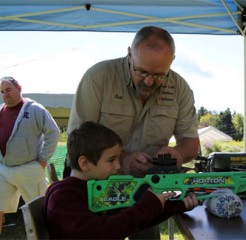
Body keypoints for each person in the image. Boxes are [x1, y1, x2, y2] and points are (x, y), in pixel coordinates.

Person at [64, 25, 200, 238]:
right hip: (94, 187)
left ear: (172, 61)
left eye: (159, 75)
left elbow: (191, 142)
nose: (149, 81)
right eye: (142, 71)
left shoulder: (180, 89)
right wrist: (123, 159)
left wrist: (179, 154)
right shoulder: (99, 78)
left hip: (145, 191)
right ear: (129, 54)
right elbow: (77, 141)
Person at [45, 121, 199, 239]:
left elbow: (135, 221)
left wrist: (176, 204)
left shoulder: (99, 189)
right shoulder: (63, 197)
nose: (118, 166)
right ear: (84, 163)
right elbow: (98, 233)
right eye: (111, 160)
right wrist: (147, 205)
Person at [0, 76, 60, 234]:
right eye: (2, 92)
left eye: (8, 90)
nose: (5, 94)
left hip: (30, 168)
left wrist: (42, 160)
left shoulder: (35, 109)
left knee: (39, 212)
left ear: (19, 88)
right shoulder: (0, 111)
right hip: (4, 169)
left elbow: (53, 133)